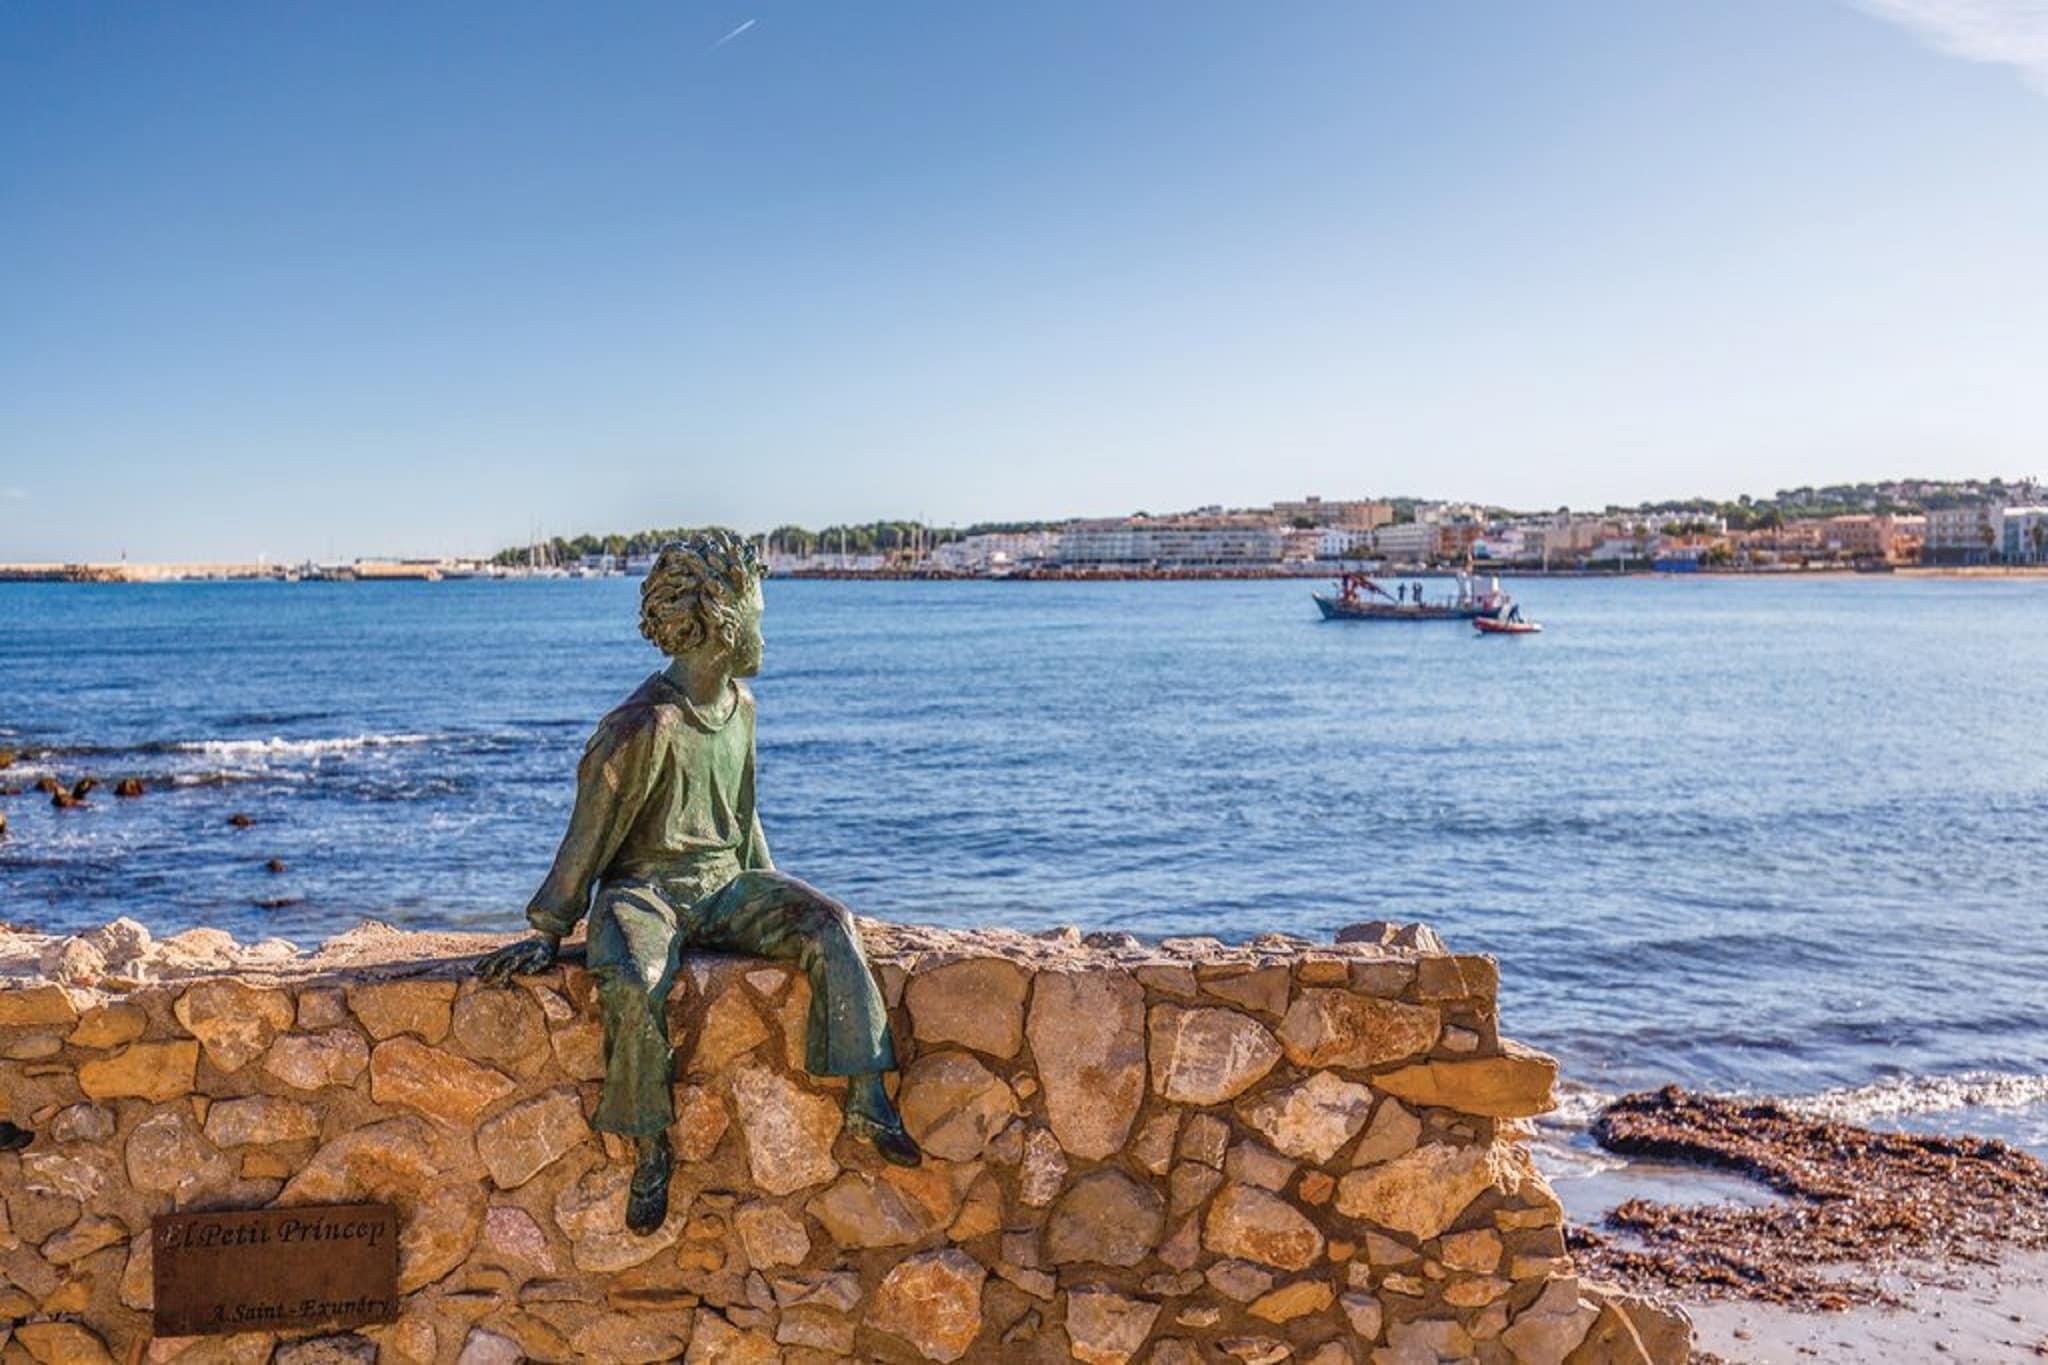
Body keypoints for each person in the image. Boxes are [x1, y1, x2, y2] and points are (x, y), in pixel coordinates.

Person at [478, 530, 919, 1234]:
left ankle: (868, 1096)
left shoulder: (742, 709)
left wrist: (776, 895)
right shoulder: (641, 725)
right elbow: (588, 834)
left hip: (724, 884)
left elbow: (744, 818)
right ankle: (650, 1143)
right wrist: (549, 929)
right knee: (635, 978)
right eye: (759, 619)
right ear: (722, 622)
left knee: (832, 923)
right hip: (643, 892)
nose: (766, 636)